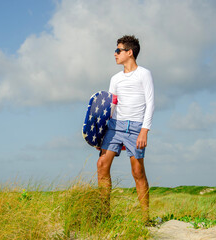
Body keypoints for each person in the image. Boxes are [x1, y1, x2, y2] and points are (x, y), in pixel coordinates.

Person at [97, 35, 154, 223]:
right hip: (114, 126)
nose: (115, 54)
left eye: (118, 50)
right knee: (102, 165)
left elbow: (150, 103)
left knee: (137, 171)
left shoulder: (144, 74)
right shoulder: (115, 78)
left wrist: (145, 130)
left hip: (135, 127)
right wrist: (102, 132)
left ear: (129, 53)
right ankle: (104, 214)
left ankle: (145, 218)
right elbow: (111, 106)